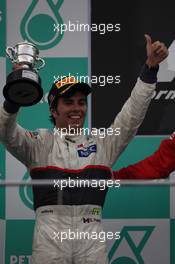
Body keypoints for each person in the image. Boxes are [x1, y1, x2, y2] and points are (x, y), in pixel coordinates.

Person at [0, 35, 168, 264]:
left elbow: (131, 116)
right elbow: (5, 131)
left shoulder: (102, 143)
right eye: (68, 102)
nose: (77, 108)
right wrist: (15, 94)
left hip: (91, 245)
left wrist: (149, 70)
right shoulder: (38, 143)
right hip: (49, 244)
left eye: (81, 102)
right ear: (53, 110)